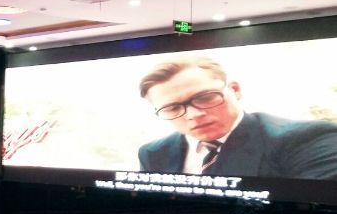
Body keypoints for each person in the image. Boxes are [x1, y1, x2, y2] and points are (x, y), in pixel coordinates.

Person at [137, 56, 337, 179]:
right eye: (172, 108)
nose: (194, 115)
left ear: (235, 90)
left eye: (205, 97)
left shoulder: (305, 139)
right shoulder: (153, 152)